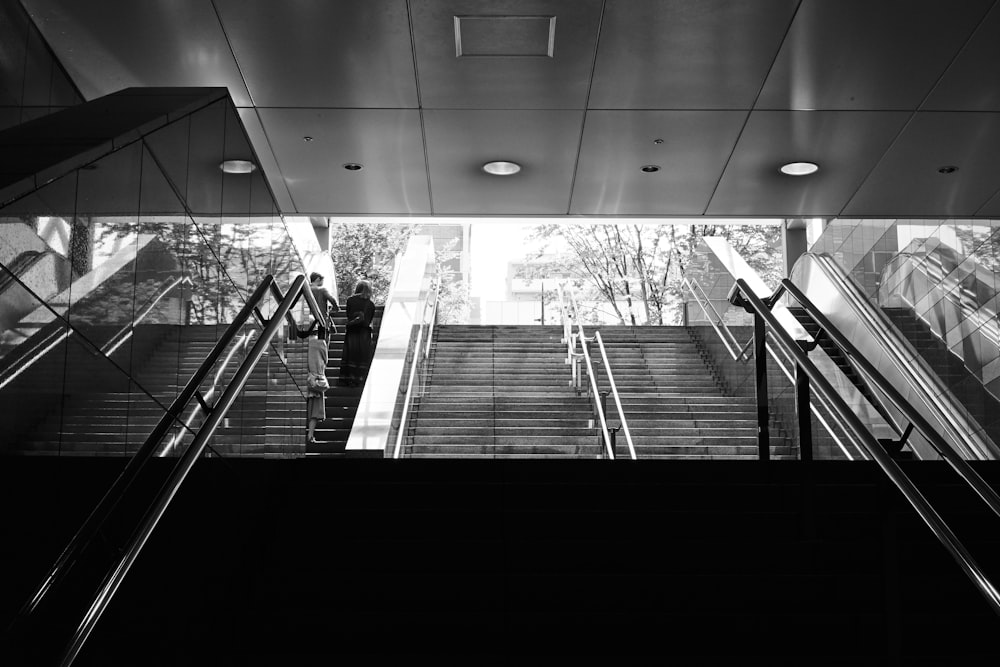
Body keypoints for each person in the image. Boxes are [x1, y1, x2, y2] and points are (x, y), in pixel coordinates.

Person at [301, 272, 339, 445]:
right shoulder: (322, 290)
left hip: (305, 327)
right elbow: (334, 302)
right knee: (321, 355)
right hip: (320, 327)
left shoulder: (305, 290)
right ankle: (310, 434)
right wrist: (335, 309)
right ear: (319, 280)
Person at [339, 279, 376, 387]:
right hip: (364, 333)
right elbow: (369, 320)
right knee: (361, 356)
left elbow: (348, 315)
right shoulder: (371, 304)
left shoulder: (350, 300)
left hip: (352, 331)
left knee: (350, 354)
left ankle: (347, 378)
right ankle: (359, 379)